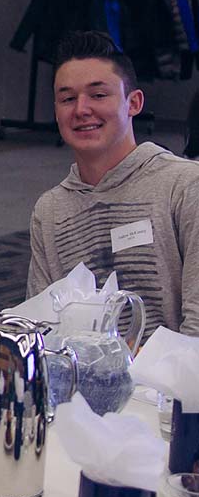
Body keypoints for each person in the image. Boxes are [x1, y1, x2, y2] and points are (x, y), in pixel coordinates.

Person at [28, 31, 199, 336]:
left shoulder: (184, 186)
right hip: (79, 379)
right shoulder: (50, 210)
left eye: (98, 95)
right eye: (68, 99)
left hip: (176, 379)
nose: (81, 110)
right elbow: (41, 328)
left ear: (134, 103)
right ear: (56, 111)